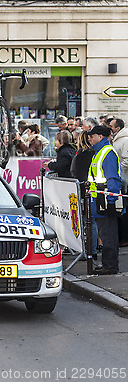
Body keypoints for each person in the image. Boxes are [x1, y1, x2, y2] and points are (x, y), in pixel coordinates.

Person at [87, 125, 122, 275]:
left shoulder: (106, 153)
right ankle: (107, 264)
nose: (89, 139)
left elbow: (113, 178)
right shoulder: (100, 152)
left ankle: (110, 266)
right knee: (106, 234)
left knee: (108, 236)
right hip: (100, 200)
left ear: (100, 137)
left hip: (106, 201)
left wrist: (111, 201)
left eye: (91, 136)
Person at [71, 130, 98, 259]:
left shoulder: (81, 155)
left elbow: (75, 171)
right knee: (92, 221)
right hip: (94, 190)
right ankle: (92, 250)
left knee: (86, 221)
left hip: (83, 190)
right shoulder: (94, 153)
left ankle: (88, 252)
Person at [110, 118, 128, 246]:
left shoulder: (125, 140)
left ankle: (125, 239)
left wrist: (118, 170)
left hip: (124, 179)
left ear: (117, 128)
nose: (109, 127)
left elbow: (126, 160)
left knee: (124, 211)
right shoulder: (117, 139)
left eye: (111, 126)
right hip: (120, 179)